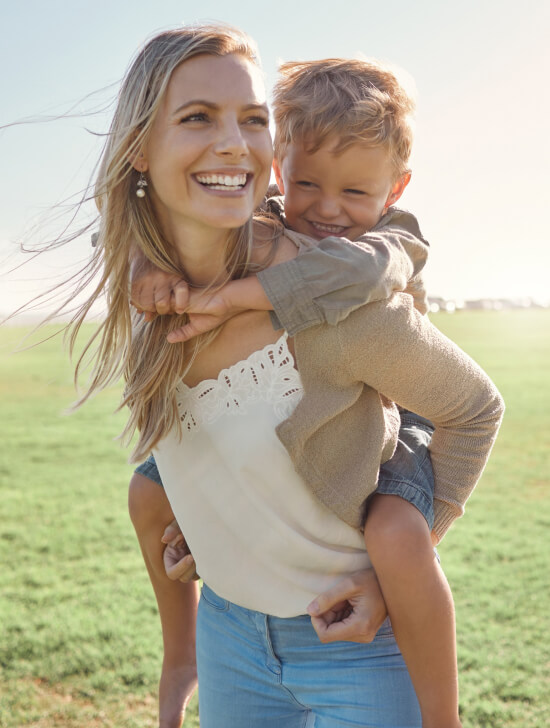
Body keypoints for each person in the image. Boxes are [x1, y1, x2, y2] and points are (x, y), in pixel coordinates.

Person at [44, 25, 503, 727]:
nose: (327, 208)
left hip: (352, 639)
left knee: (397, 535)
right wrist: (225, 526)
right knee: (147, 492)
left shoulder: (349, 294)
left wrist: (396, 568)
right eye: (198, 117)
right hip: (229, 633)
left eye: (249, 119)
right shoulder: (149, 289)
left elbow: (472, 403)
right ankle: (181, 656)